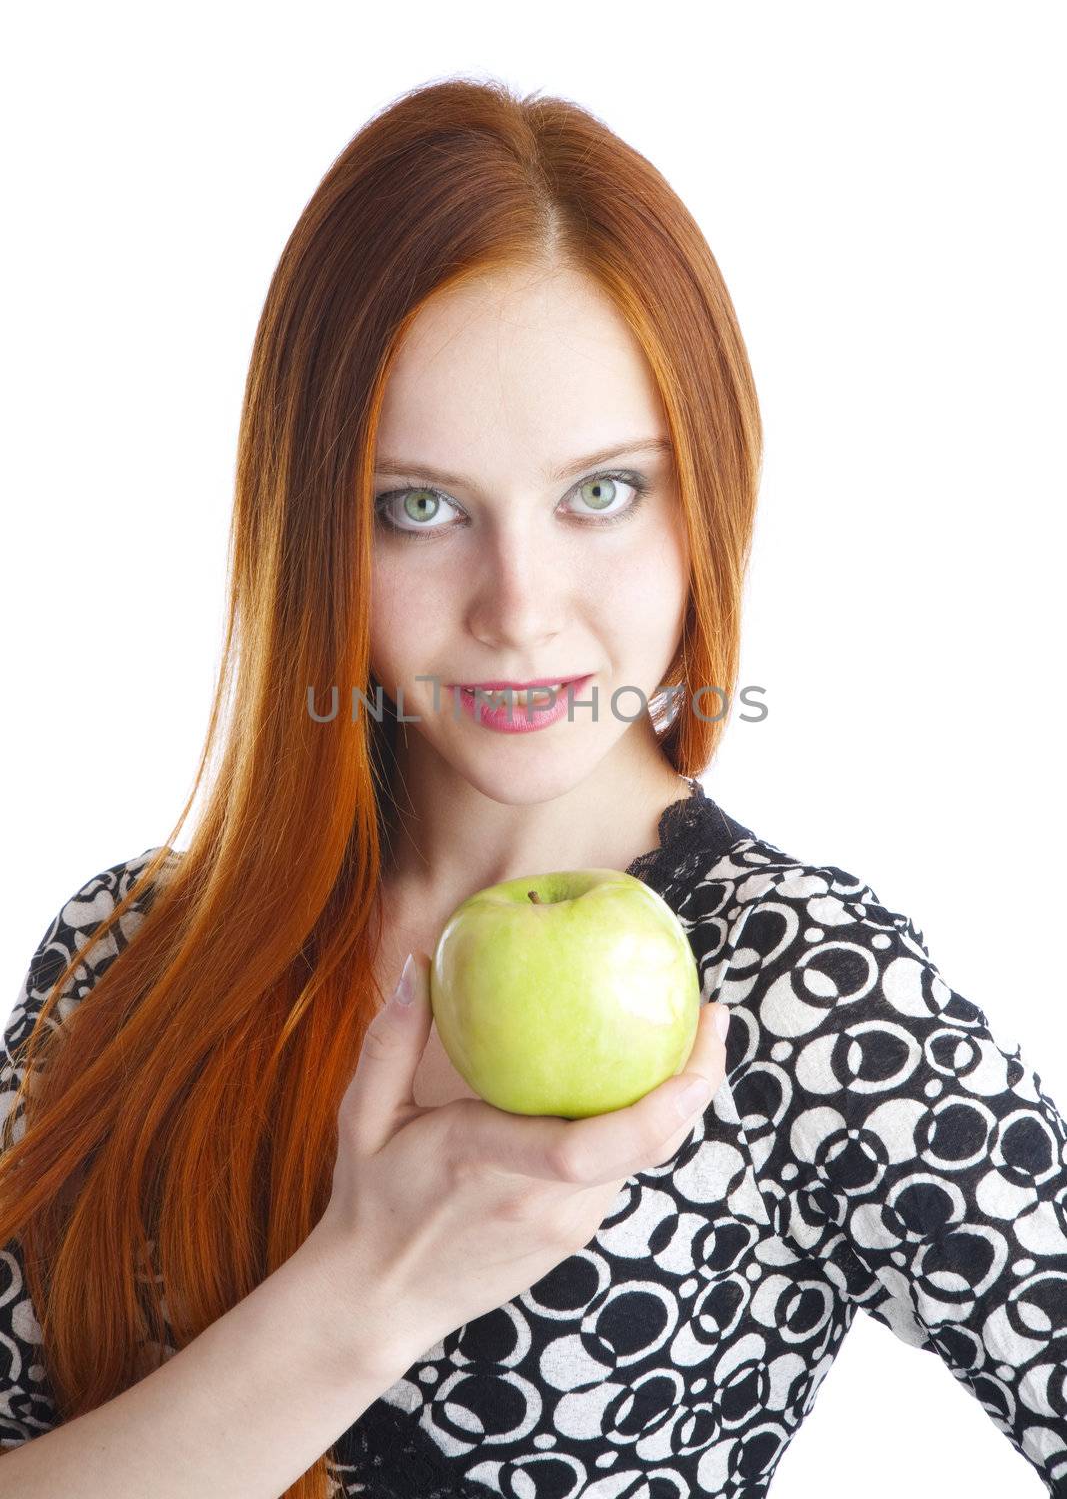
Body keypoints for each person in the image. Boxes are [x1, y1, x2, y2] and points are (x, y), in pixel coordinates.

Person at [1, 77, 1063, 1499]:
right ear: (314, 526)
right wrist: (360, 1296)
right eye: (419, 506)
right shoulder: (127, 957)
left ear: (709, 497)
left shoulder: (806, 994)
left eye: (603, 492)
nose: (519, 606)